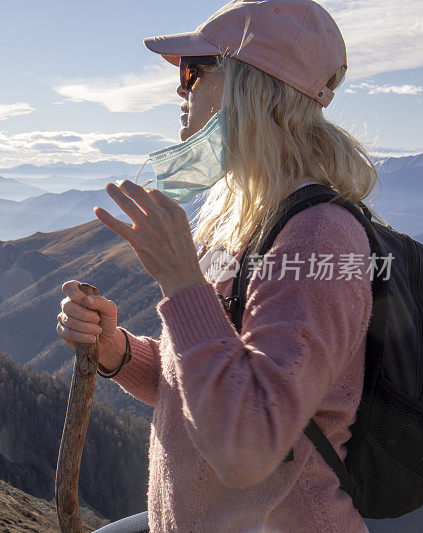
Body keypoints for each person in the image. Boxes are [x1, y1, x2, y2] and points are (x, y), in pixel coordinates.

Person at [57, 1, 384, 531]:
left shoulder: (320, 237)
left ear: (250, 86)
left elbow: (247, 446)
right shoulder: (248, 217)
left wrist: (182, 281)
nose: (180, 89)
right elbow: (209, 378)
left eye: (193, 69)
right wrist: (119, 354)